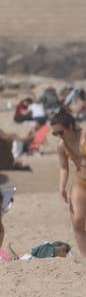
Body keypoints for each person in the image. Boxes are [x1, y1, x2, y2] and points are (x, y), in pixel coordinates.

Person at [52, 109, 86, 258]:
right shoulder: (62, 145)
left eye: (61, 132)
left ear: (71, 126)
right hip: (80, 182)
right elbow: (64, 167)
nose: (59, 136)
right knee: (77, 221)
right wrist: (61, 187)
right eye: (55, 133)